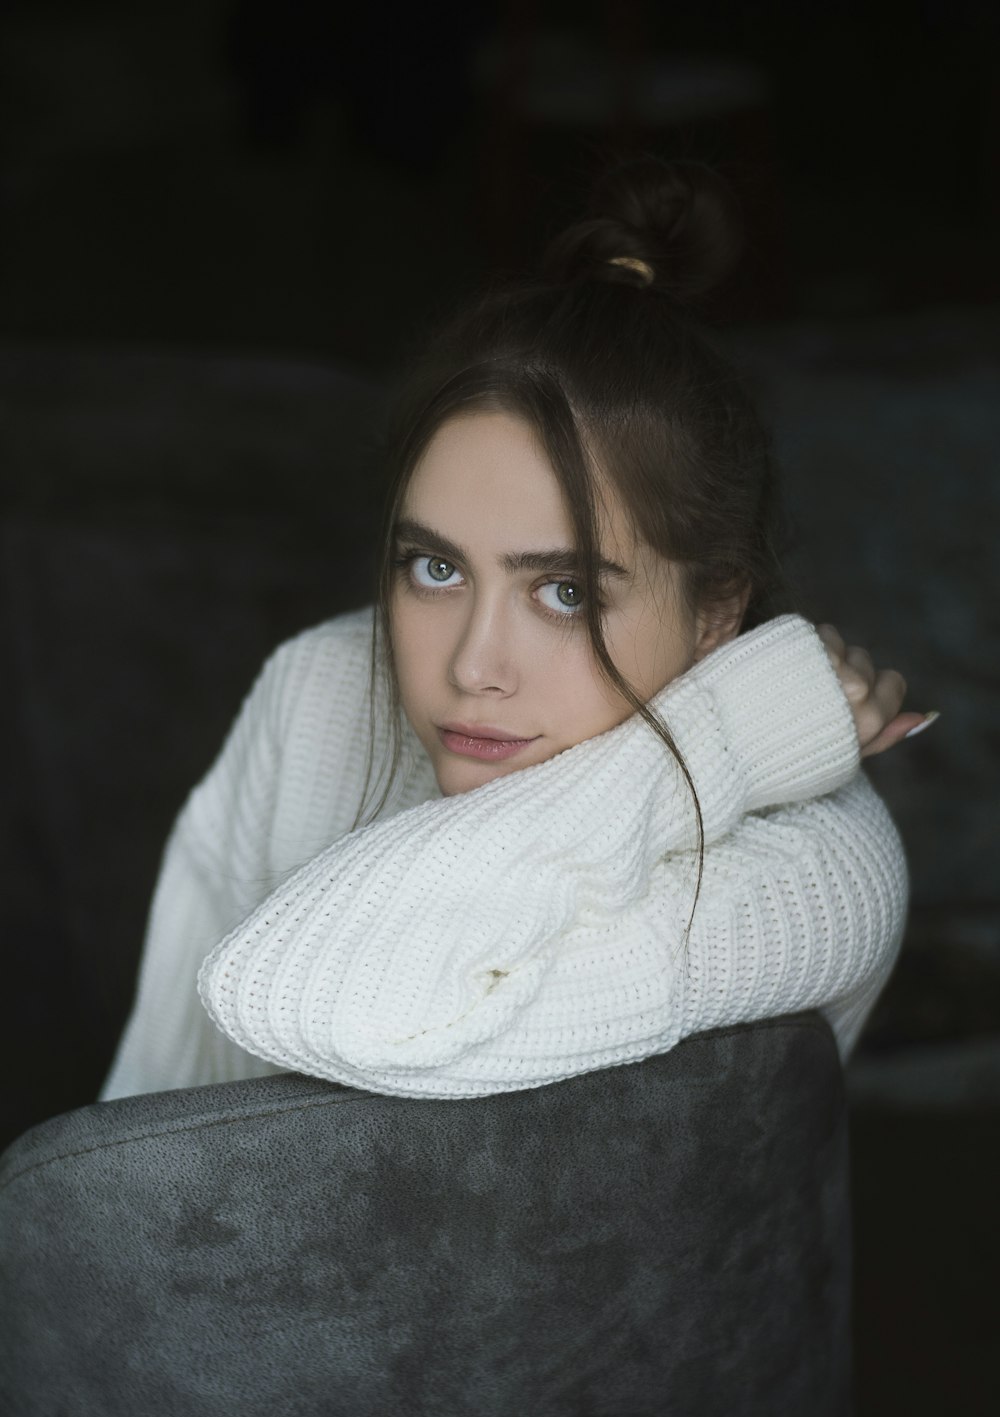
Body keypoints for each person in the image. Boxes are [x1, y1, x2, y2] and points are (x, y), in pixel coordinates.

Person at [100, 157, 928, 1103]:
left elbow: (309, 999)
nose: (474, 666)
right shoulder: (320, 691)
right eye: (437, 569)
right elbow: (155, 1108)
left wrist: (726, 738)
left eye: (565, 593)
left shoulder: (818, 865)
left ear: (716, 612)